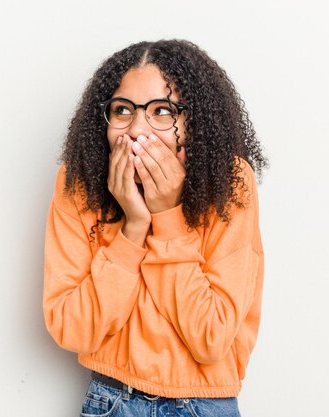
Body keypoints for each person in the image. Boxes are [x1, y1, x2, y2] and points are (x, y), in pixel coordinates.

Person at [43, 39, 268, 417]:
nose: (137, 130)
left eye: (162, 111)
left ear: (194, 121)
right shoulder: (77, 183)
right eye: (122, 110)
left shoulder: (229, 183)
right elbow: (72, 329)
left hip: (204, 405)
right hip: (110, 400)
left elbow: (211, 339)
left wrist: (167, 215)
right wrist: (133, 228)